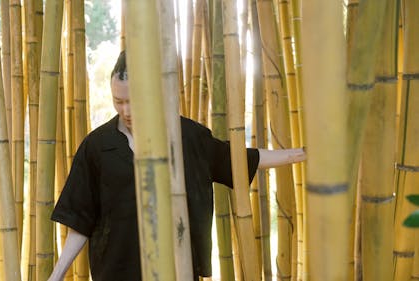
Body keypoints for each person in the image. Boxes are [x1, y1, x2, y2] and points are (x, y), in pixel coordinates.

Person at [48, 51, 306, 281]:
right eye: (118, 101)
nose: (125, 110)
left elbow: (240, 159)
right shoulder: (97, 146)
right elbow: (80, 221)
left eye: (133, 100)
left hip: (178, 270)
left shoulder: (187, 136)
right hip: (115, 272)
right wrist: (56, 275)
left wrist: (300, 155)